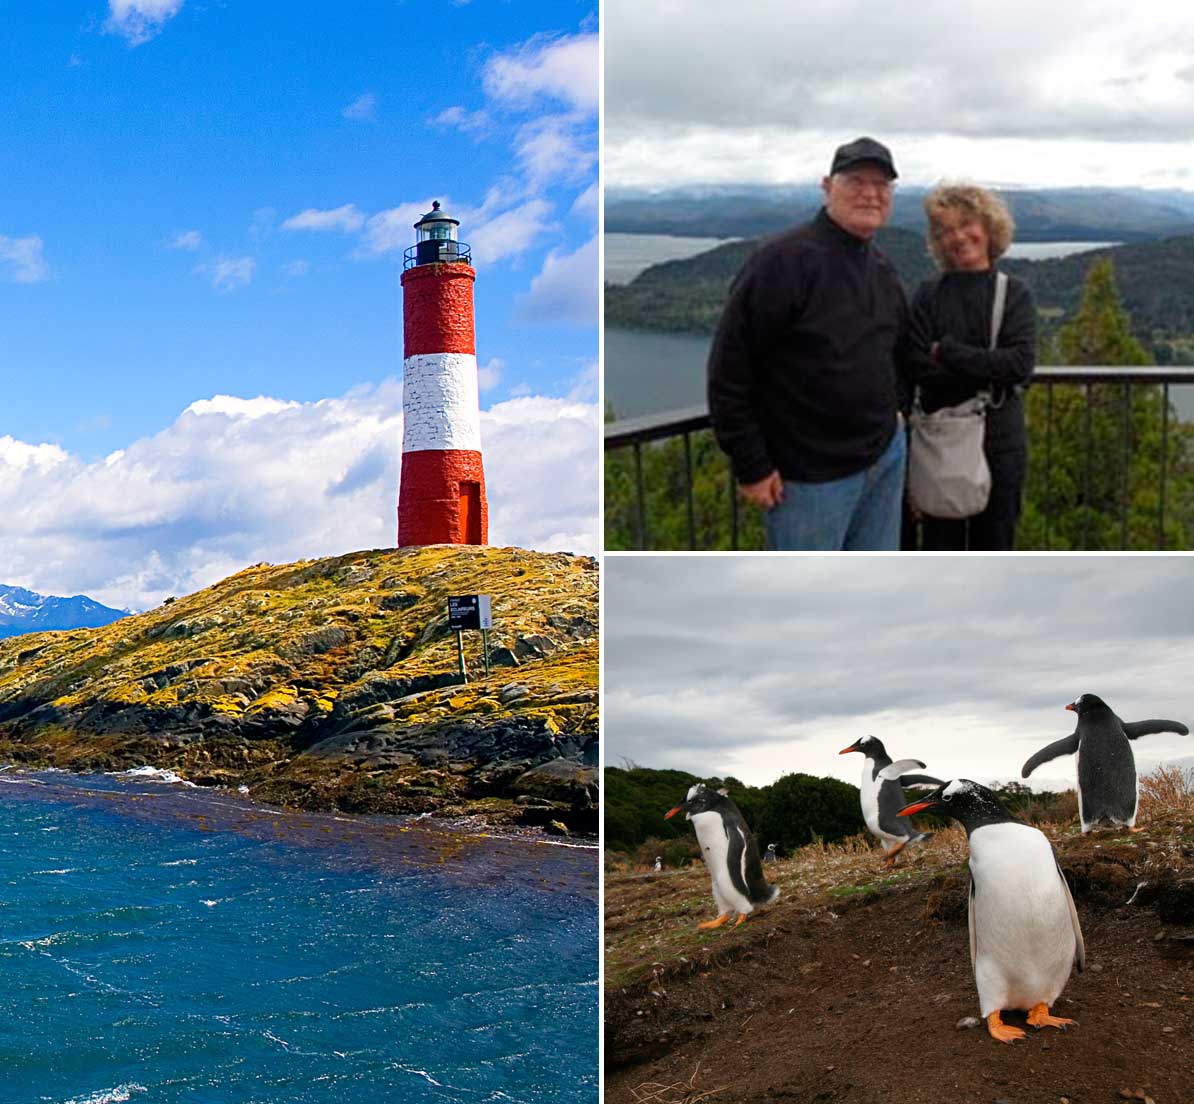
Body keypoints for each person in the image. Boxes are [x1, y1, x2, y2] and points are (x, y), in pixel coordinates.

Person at [707, 137, 907, 551]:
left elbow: (894, 351)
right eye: (856, 181)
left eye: (882, 184)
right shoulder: (781, 262)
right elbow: (729, 371)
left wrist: (896, 415)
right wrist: (752, 465)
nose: (870, 193)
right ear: (826, 186)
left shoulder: (882, 269)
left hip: (885, 457)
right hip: (810, 479)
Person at [904, 183, 1035, 551]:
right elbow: (915, 366)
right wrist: (987, 367)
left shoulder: (1014, 293)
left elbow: (1020, 364)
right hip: (941, 440)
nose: (957, 237)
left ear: (990, 227)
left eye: (966, 224)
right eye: (944, 230)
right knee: (938, 547)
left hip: (1000, 445)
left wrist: (946, 352)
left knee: (994, 544)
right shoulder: (928, 294)